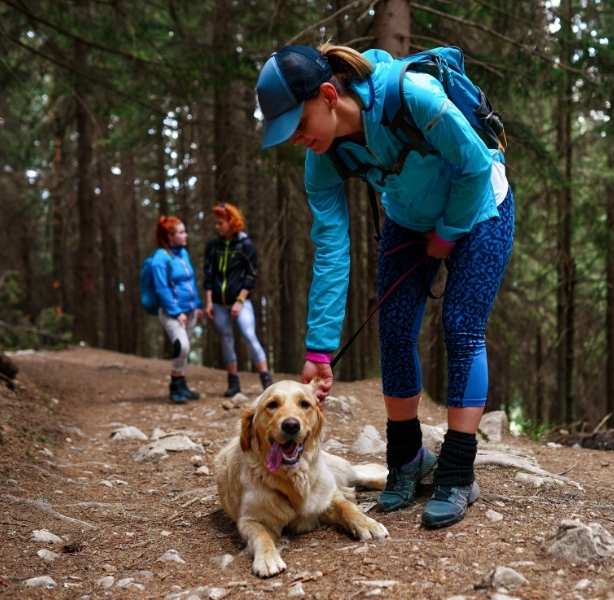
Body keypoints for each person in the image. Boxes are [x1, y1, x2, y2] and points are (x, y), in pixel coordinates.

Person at [255, 44, 514, 529]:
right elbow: (331, 249)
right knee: (394, 332)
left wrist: (446, 234)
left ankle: (457, 473)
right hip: (408, 219)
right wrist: (320, 349)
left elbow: (477, 167)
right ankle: (407, 460)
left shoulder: (414, 96)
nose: (295, 139)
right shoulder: (322, 158)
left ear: (329, 95)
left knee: (462, 329)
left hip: (481, 207)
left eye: (297, 124)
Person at [203, 202, 273, 396]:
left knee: (250, 336)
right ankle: (233, 383)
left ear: (231, 222)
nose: (217, 226)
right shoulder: (213, 246)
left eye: (220, 222)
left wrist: (240, 301)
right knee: (226, 340)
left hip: (241, 303)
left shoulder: (246, 245)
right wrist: (209, 302)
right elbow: (208, 275)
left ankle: (266, 379)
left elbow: (251, 276)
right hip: (218, 303)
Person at [151, 216, 203, 404]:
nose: (185, 235)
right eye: (181, 232)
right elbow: (162, 289)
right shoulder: (160, 259)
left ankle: (183, 385)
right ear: (169, 236)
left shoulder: (183, 254)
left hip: (189, 311)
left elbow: (190, 282)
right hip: (172, 314)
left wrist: (197, 305)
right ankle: (174, 386)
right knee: (182, 346)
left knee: (184, 350)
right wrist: (175, 311)